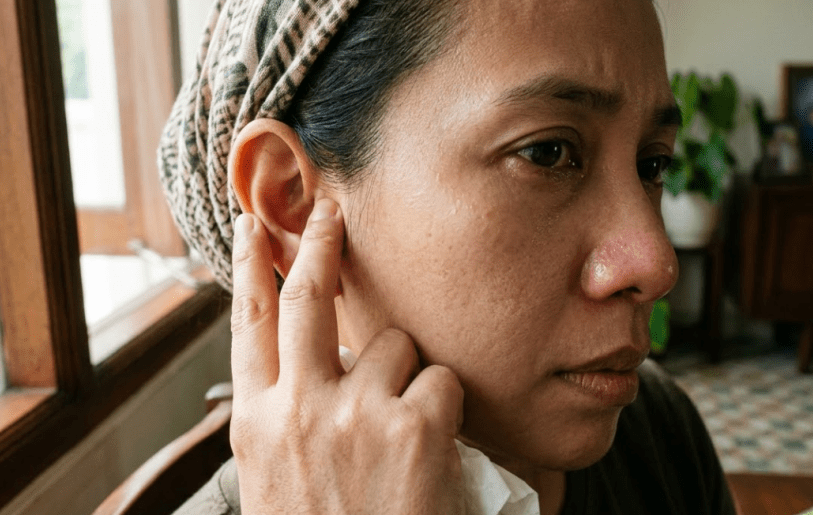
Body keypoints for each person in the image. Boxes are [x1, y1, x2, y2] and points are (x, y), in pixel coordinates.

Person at [158, 0, 736, 513]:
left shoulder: (657, 431)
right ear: (294, 205)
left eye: (652, 163)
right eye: (547, 152)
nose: (656, 263)